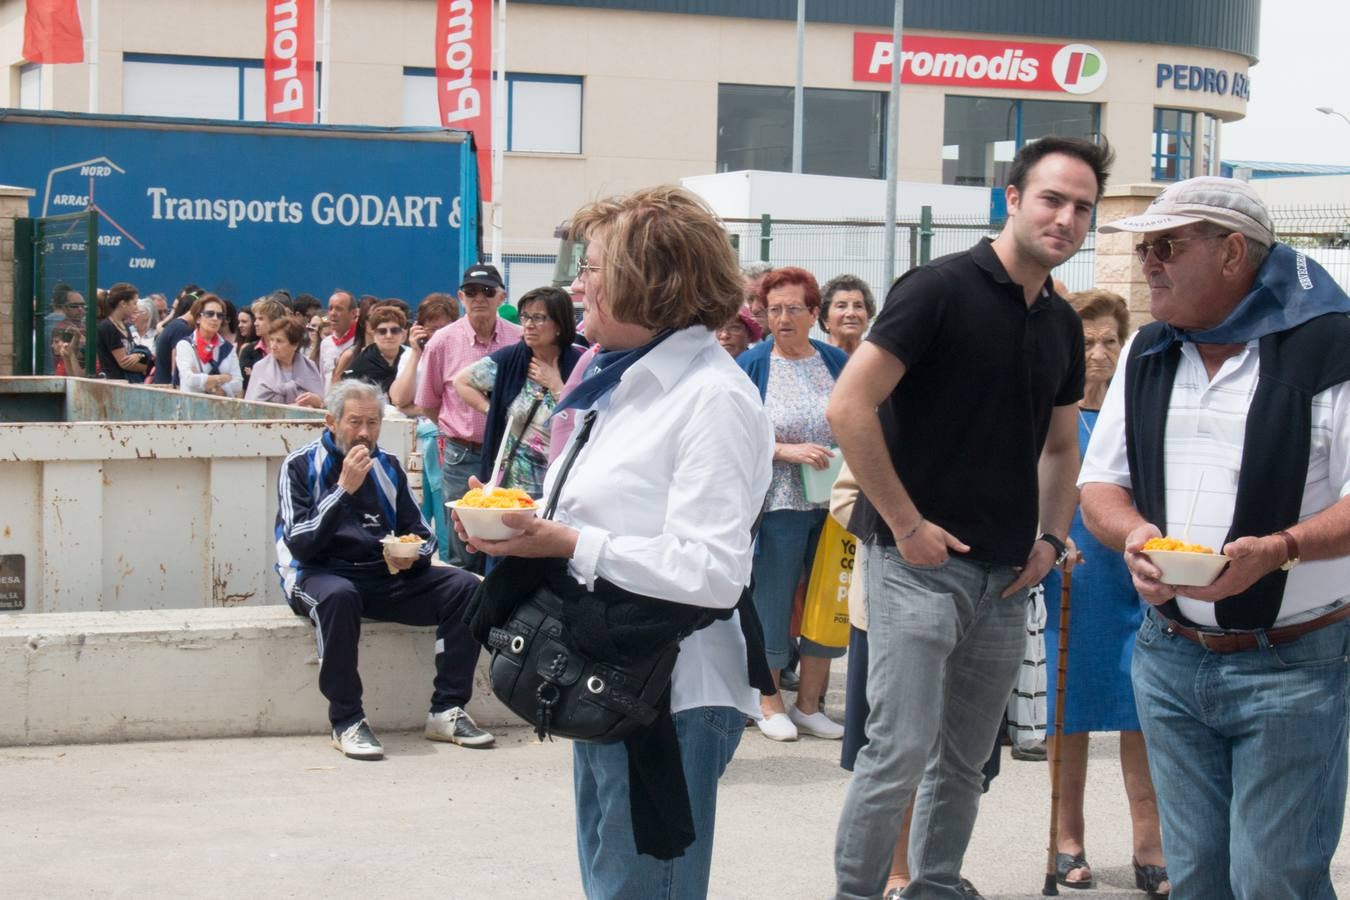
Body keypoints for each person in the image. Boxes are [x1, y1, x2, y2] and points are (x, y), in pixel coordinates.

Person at [455, 185, 773, 899]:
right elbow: (609, 509)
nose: (575, 287)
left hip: (670, 691)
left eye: (591, 269)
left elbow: (713, 571)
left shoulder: (711, 398)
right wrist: (516, 520)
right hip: (608, 670)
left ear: (650, 281)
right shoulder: (625, 377)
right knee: (615, 884)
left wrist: (565, 541)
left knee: (640, 889)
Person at [827, 135, 1114, 900]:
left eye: (1082, 207)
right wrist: (908, 523)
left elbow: (1060, 448)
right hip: (916, 568)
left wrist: (1052, 540)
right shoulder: (939, 289)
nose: (1066, 217)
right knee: (898, 751)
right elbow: (848, 406)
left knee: (966, 761)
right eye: (1052, 198)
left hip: (1007, 578)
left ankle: (936, 885)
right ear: (1012, 198)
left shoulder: (1059, 322)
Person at [1078, 176, 1350, 900]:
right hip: (1170, 660)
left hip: (1293, 666)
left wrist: (1280, 550)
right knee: (1195, 881)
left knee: (1274, 882)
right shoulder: (1148, 350)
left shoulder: (1333, 347)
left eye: (1166, 245)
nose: (1147, 262)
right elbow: (1099, 487)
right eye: (1144, 247)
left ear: (1233, 253)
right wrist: (1134, 534)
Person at [275, 379, 493, 760]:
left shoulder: (388, 465)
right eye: (354, 422)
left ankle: (446, 709)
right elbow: (299, 541)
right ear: (331, 421)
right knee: (340, 596)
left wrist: (413, 556)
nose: (364, 433)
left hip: (380, 573)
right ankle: (347, 720)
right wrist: (343, 490)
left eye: (373, 423)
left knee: (467, 587)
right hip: (317, 572)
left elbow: (423, 534)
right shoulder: (300, 465)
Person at [1040, 289, 1167, 895]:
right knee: (1072, 709)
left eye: (1110, 341)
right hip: (1075, 573)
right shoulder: (1052, 411)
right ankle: (1068, 839)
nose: (1099, 353)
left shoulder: (1137, 408)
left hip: (1138, 573)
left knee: (1143, 709)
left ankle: (1151, 842)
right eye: (1087, 341)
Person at [736, 266, 849, 742]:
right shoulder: (752, 364)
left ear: (814, 314)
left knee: (827, 598)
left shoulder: (834, 361)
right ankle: (769, 701)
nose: (783, 319)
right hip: (778, 502)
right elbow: (735, 436)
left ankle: (810, 703)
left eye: (793, 309)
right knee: (773, 600)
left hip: (833, 505)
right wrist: (783, 450)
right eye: (774, 309)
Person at [415, 264, 522, 570]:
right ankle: (463, 616)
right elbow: (428, 403)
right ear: (460, 296)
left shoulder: (518, 340)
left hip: (510, 455)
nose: (479, 298)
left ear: (501, 296)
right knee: (464, 546)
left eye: (487, 291)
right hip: (463, 454)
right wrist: (457, 431)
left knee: (511, 540)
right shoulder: (442, 342)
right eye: (472, 292)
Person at [452, 286, 582, 499]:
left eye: (539, 318)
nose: (529, 325)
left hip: (560, 484)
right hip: (512, 485)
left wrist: (556, 385)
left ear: (559, 324)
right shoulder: (511, 359)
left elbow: (582, 420)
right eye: (525, 317)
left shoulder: (578, 365)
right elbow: (461, 382)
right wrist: (494, 411)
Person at [388, 293, 460, 559]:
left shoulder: (457, 353)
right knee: (415, 511)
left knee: (444, 516)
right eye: (429, 328)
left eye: (440, 328)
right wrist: (417, 353)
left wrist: (415, 406)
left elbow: (450, 404)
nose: (434, 334)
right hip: (415, 444)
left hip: (442, 443)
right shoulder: (411, 356)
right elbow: (398, 398)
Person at [245, 317, 326, 407]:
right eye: (271, 339)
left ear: (295, 345)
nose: (273, 346)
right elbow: (251, 407)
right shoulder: (260, 368)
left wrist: (318, 402)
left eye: (279, 341)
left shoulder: (310, 366)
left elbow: (323, 405)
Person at [174, 293, 243, 397]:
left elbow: (238, 384)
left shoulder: (228, 348)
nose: (215, 318)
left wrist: (209, 384)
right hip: (191, 409)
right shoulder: (185, 345)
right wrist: (221, 378)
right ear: (198, 318)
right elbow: (190, 379)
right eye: (209, 314)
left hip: (220, 410)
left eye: (220, 315)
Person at [341, 304, 408, 394]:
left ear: (403, 333)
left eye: (394, 330)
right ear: (374, 335)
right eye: (382, 331)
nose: (389, 336)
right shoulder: (362, 362)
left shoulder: (410, 357)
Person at [96, 282, 151, 383]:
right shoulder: (108, 327)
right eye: (134, 303)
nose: (136, 308)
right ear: (123, 304)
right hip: (116, 384)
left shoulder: (125, 326)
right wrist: (147, 368)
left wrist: (139, 355)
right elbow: (125, 363)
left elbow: (132, 352)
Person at [153, 285, 202, 386]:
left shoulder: (177, 325)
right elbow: (176, 368)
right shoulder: (181, 329)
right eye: (208, 314)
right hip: (168, 390)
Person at [818, 274, 876, 356]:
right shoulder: (816, 360)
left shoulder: (879, 361)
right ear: (825, 319)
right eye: (841, 306)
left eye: (858, 306)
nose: (851, 313)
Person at [320, 289, 358, 384]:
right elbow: (322, 380)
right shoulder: (325, 343)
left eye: (339, 309)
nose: (333, 313)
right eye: (330, 308)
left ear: (353, 313)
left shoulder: (361, 341)